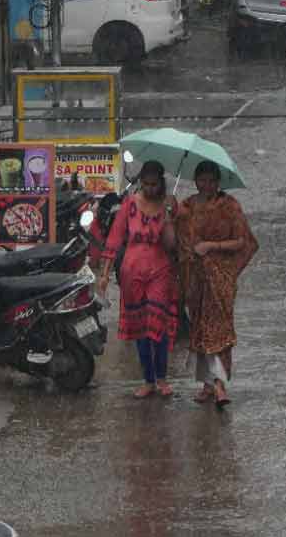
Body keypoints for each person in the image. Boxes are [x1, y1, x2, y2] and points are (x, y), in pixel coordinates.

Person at [175, 161, 258, 407]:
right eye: (202, 180)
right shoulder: (187, 207)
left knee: (219, 331)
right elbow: (178, 236)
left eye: (212, 181)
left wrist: (212, 246)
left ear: (218, 182)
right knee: (200, 329)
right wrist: (173, 212)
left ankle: (221, 385)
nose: (207, 185)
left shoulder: (230, 206)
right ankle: (207, 385)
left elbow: (242, 242)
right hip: (196, 279)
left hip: (221, 278)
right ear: (196, 180)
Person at [95, 160, 180, 398]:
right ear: (141, 183)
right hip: (131, 272)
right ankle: (148, 380)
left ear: (161, 183)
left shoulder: (168, 206)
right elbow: (114, 239)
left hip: (160, 271)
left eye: (154, 184)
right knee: (141, 328)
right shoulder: (129, 205)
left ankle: (162, 378)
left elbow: (172, 244)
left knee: (158, 325)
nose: (150, 189)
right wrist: (103, 274)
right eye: (146, 184)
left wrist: (170, 217)